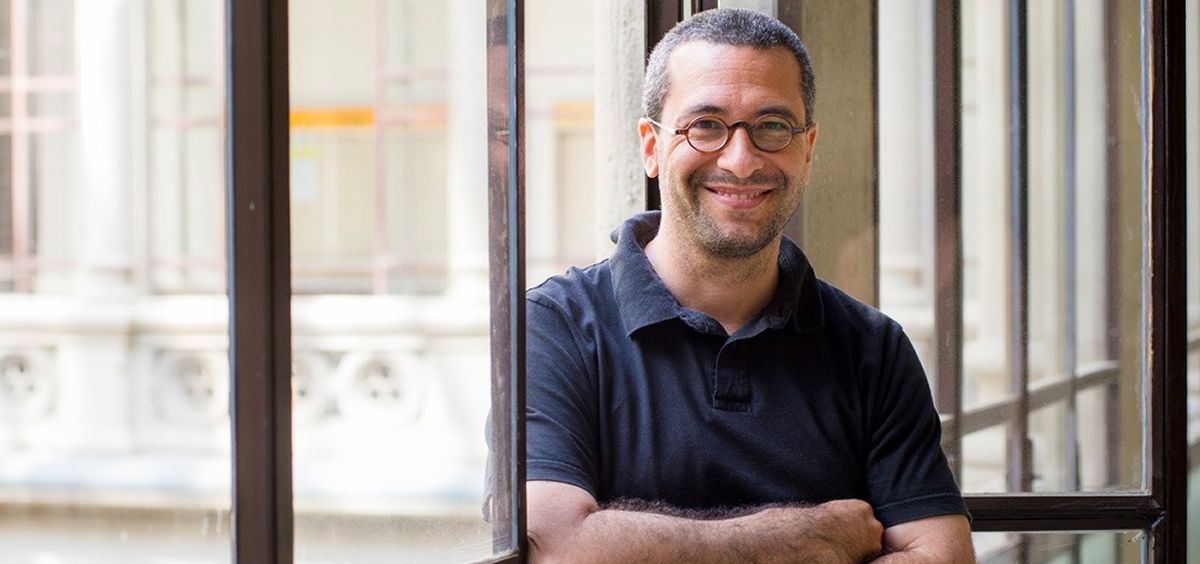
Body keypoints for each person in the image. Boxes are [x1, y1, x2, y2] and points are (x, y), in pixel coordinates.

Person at [523, 8, 973, 563]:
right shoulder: (553, 328)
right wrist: (814, 536)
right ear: (651, 147)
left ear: (807, 149)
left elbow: (942, 556)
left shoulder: (872, 349)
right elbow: (555, 548)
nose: (740, 160)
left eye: (773, 126)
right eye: (706, 125)